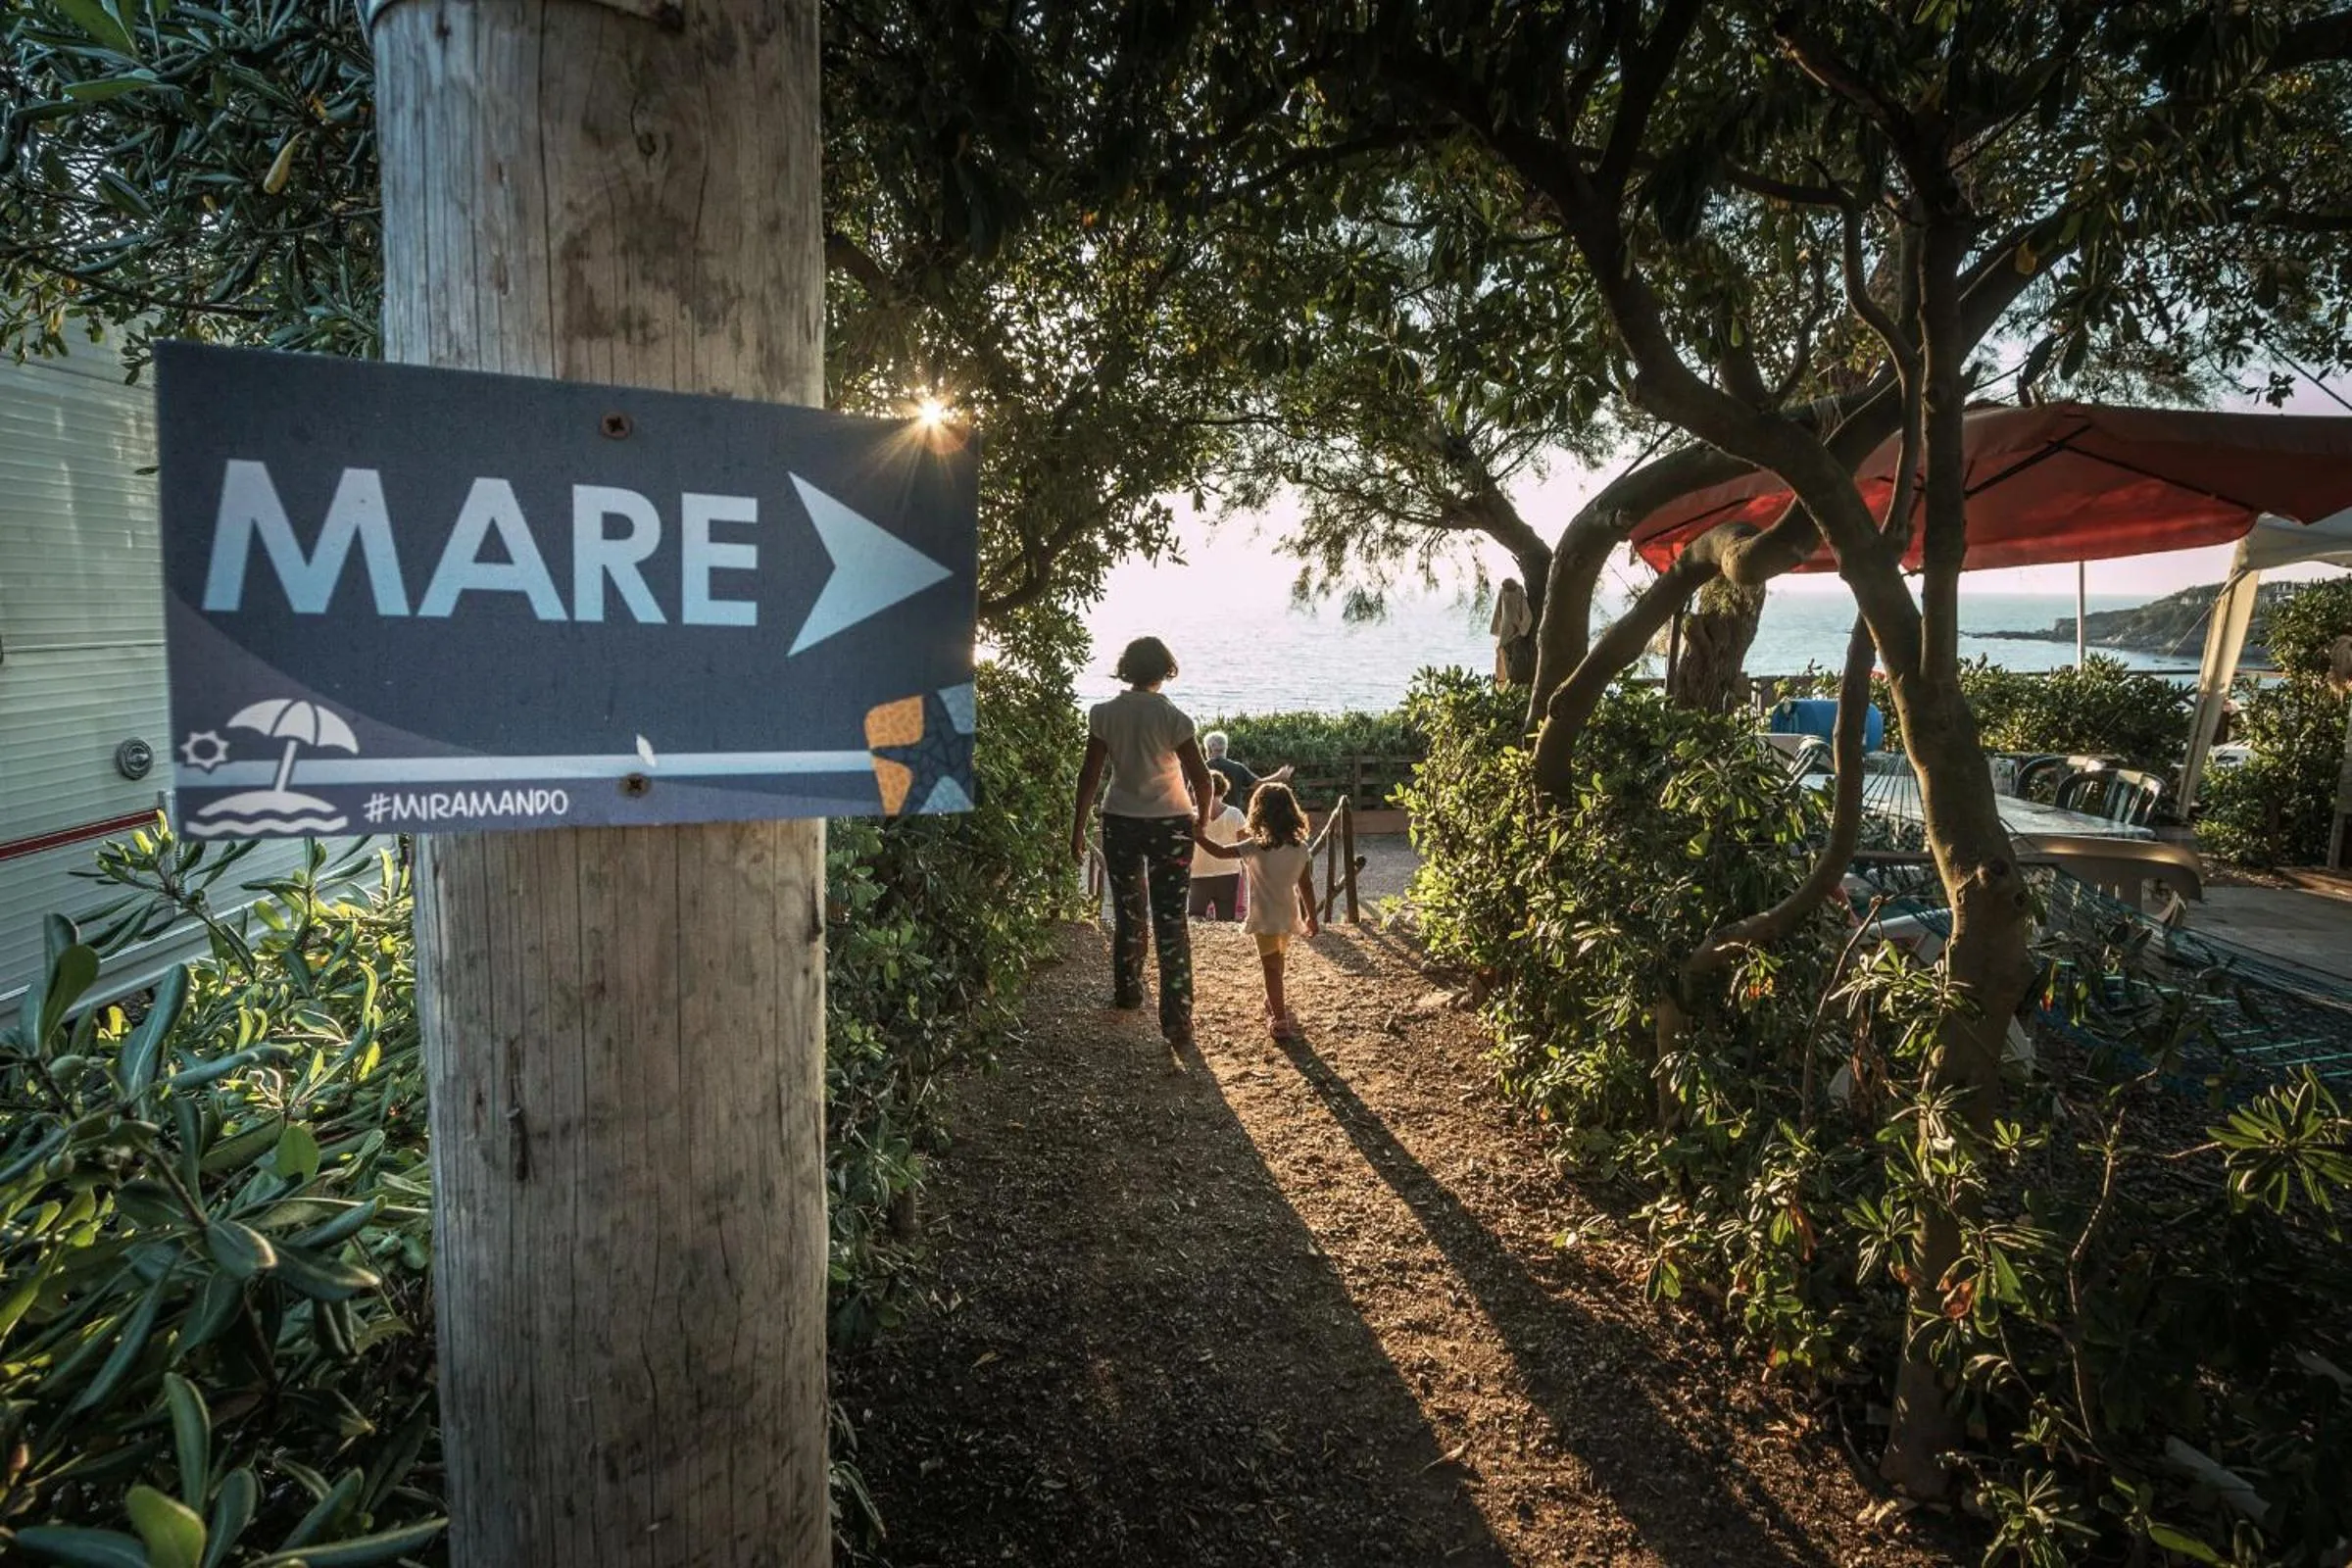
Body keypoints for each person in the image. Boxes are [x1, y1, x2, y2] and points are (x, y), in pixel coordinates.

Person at [1071, 636, 1214, 1053]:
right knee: (1171, 921)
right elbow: (1203, 780)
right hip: (1171, 824)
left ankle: (1128, 991)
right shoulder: (1174, 719)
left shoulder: (1103, 715)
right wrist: (1201, 822)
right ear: (1165, 670)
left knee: (1130, 911)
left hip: (1119, 822)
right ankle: (1177, 1020)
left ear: (1126, 669)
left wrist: (1077, 829)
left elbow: (1090, 776)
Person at [1192, 781, 1319, 1041]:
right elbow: (1306, 885)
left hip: (1264, 918)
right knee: (1277, 962)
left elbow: (1220, 852)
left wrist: (1199, 836)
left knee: (1271, 968)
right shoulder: (1301, 848)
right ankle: (1274, 1001)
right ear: (1291, 812)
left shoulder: (1254, 847)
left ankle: (1280, 1019)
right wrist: (1311, 917)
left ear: (1258, 813)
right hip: (1288, 915)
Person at [1188, 773, 1249, 921]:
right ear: (1224, 790)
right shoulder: (1236, 814)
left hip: (1198, 873)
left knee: (1195, 920)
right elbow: (1244, 847)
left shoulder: (1192, 814)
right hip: (1229, 872)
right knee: (1226, 921)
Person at [1200, 729, 1292, 805]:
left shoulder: (1201, 768)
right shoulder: (1237, 768)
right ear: (1225, 748)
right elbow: (1258, 784)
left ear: (1208, 750)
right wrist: (1279, 776)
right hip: (1233, 816)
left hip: (1206, 816)